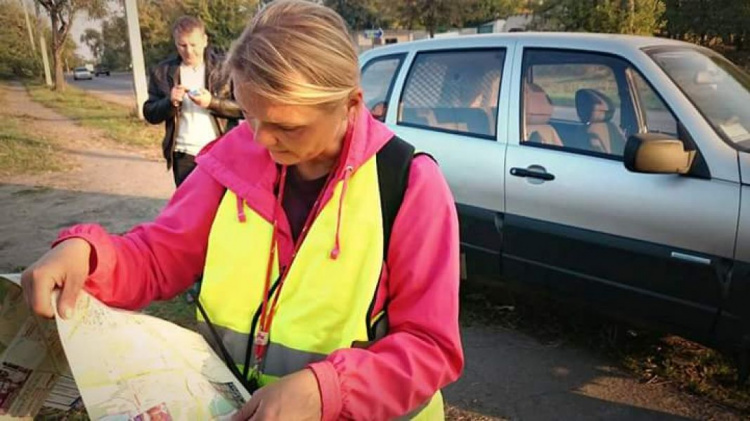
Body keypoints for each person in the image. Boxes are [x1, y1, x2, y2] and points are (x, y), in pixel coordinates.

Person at [21, 1, 463, 419]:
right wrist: (89, 255)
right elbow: (159, 255)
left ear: (349, 104)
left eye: (286, 126)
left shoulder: (409, 184)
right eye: (250, 115)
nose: (262, 139)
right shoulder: (233, 158)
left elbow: (430, 348)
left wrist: (328, 390)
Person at [144, 15, 242, 186]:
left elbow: (245, 109)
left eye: (193, 44)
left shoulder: (226, 68)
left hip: (221, 152)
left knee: (222, 209)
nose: (188, 51)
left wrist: (212, 102)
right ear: (175, 43)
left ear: (205, 40)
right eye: (182, 45)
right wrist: (170, 101)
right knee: (191, 211)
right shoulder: (162, 71)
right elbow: (150, 113)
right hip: (184, 155)